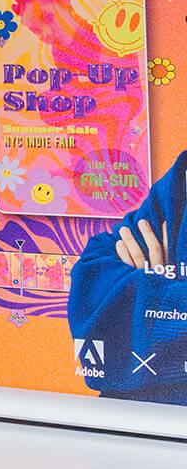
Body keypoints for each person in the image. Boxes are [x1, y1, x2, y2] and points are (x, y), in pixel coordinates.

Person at [68, 147, 187, 402]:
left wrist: (149, 293)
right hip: (132, 424)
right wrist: (160, 287)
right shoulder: (182, 177)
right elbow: (91, 273)